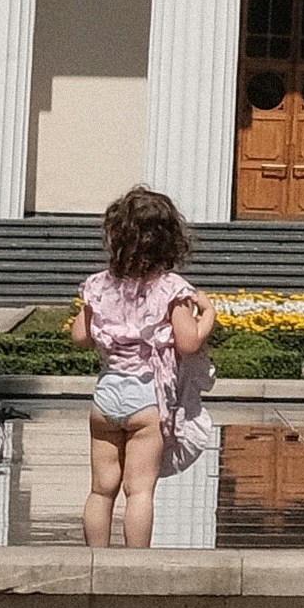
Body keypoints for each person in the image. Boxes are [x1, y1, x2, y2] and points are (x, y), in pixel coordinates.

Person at [74, 182, 214, 548]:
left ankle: (95, 562)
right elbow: (188, 342)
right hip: (145, 399)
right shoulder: (171, 290)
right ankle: (135, 567)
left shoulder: (100, 286)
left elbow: (80, 335)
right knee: (139, 492)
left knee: (101, 490)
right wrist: (208, 315)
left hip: (105, 398)